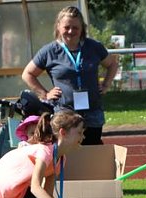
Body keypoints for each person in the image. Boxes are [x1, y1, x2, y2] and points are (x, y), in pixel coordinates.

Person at [21, 5, 118, 146]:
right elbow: (27, 74)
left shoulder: (94, 47)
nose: (71, 31)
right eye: (67, 27)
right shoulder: (49, 51)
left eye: (75, 28)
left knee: (92, 151)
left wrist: (106, 84)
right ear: (59, 26)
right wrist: (45, 94)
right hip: (65, 114)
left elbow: (112, 64)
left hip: (92, 112)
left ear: (82, 28)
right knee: (67, 155)